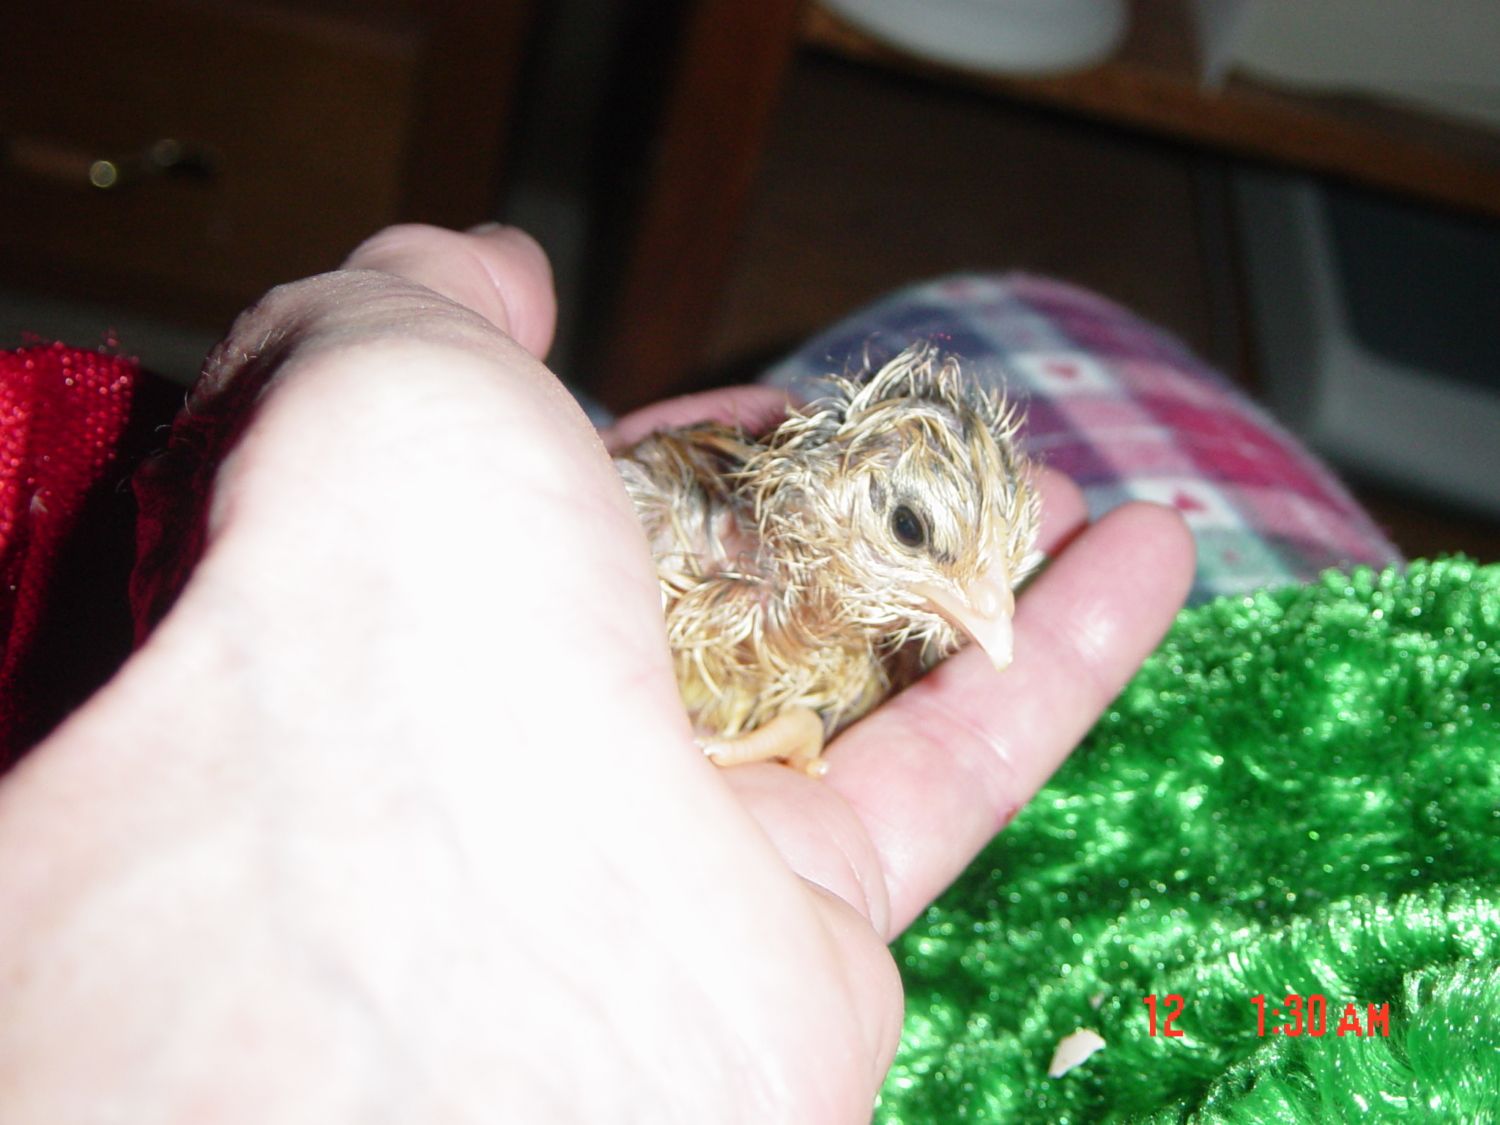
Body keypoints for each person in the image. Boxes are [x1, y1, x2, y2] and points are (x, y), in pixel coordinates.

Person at [0, 224, 1193, 1120]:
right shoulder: (651, 519)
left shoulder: (870, 654)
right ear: (835, 483)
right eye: (920, 536)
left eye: (989, 575)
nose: (984, 620)